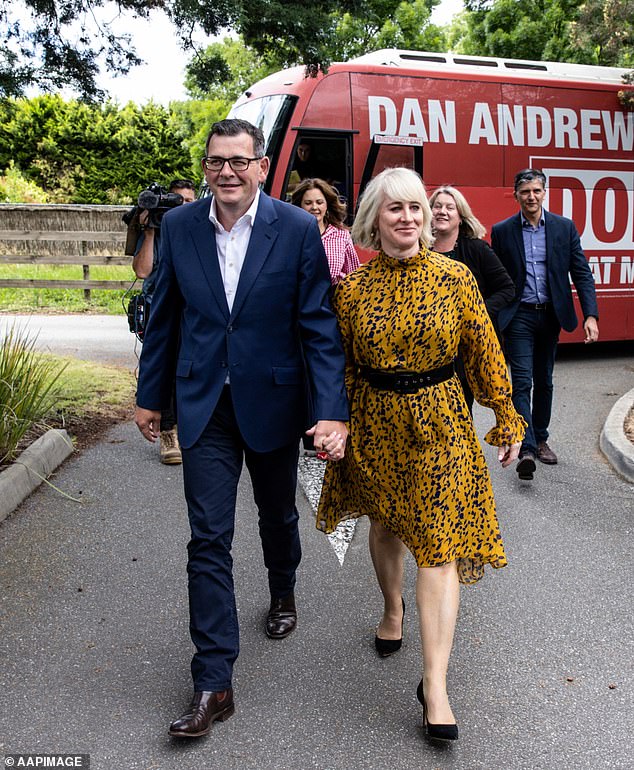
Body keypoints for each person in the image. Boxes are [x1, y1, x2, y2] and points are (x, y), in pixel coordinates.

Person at [134, 118, 349, 739]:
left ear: (260, 165)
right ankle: (213, 681)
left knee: (277, 510)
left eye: (238, 160)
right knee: (207, 539)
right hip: (204, 405)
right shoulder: (179, 227)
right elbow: (165, 315)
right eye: (214, 161)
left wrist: (330, 408)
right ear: (205, 168)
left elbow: (317, 326)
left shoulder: (297, 229)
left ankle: (282, 588)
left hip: (275, 401)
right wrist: (152, 397)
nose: (226, 171)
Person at [316, 167, 525, 743]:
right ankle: (391, 608)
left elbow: (485, 353)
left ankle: (435, 685)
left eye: (415, 207)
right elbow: (337, 366)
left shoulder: (457, 279)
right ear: (373, 219)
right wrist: (333, 423)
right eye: (395, 209)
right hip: (377, 423)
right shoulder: (353, 289)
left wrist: (506, 417)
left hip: (442, 424)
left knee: (439, 547)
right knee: (384, 526)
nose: (408, 217)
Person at [491, 169, 599, 481]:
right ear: (516, 195)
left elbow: (581, 272)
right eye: (525, 192)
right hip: (519, 315)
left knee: (545, 380)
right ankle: (526, 447)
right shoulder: (503, 231)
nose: (531, 197)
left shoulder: (564, 228)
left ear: (544, 192)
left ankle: (541, 437)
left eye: (536, 191)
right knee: (522, 381)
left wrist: (591, 315)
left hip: (550, 314)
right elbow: (496, 277)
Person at [429, 185, 515, 411]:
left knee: (460, 408)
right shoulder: (419, 250)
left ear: (460, 216)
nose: (442, 212)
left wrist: (474, 314)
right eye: (437, 206)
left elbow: (507, 289)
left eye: (450, 207)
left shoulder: (477, 249)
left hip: (465, 347)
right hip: (429, 344)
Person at [132, 178, 196, 465]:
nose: (183, 207)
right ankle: (169, 432)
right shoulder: (156, 231)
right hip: (158, 308)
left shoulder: (202, 229)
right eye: (177, 201)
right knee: (164, 368)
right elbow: (143, 271)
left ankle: (188, 427)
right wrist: (149, 231)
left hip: (191, 311)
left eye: (189, 201)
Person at [291, 178, 360, 286]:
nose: (314, 207)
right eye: (308, 203)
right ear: (300, 206)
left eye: (319, 202)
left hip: (332, 298)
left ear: (327, 205)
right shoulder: (290, 236)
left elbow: (354, 275)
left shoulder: (341, 235)